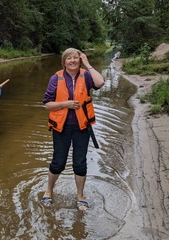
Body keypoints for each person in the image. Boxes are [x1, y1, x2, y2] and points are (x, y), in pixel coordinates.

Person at [41, 48, 105, 211]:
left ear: (80, 60)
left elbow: (100, 83)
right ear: (64, 62)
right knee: (58, 162)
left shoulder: (87, 75)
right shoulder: (56, 78)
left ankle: (80, 196)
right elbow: (47, 104)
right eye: (69, 58)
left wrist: (88, 63)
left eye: (76, 58)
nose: (72, 61)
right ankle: (49, 191)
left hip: (82, 128)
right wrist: (64, 104)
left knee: (80, 163)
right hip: (61, 128)